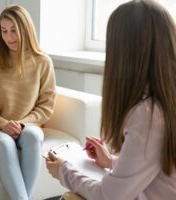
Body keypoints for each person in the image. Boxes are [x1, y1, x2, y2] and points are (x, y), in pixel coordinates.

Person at [46, 0, 176, 199]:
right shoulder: (165, 101)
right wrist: (111, 162)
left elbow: (110, 196)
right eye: (4, 31)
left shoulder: (148, 114)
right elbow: (156, 168)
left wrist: (64, 171)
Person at [0, 5, 56, 200]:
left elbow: (46, 105)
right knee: (6, 144)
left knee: (34, 137)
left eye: (14, 31)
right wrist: (3, 124)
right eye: (4, 31)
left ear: (25, 29)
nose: (9, 37)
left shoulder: (43, 62)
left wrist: (22, 123)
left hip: (27, 126)